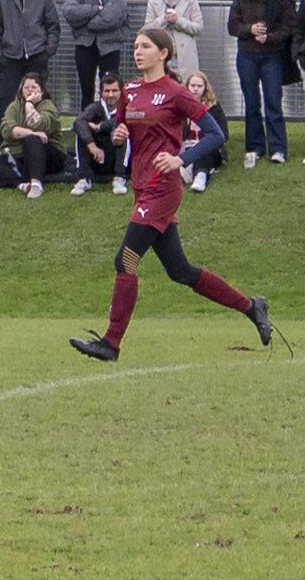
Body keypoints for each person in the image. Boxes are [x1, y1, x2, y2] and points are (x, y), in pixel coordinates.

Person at [67, 26, 272, 364]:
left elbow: (215, 134)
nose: (137, 51)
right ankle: (251, 306)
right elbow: (120, 129)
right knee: (180, 270)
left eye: (145, 46)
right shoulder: (131, 90)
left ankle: (111, 343)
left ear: (163, 53)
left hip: (163, 189)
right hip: (141, 187)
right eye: (136, 46)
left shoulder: (176, 92)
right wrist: (117, 134)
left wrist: (181, 158)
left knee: (125, 260)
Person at [225, 0, 294, 168]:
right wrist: (250, 29)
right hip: (247, 56)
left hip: (272, 55)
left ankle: (278, 148)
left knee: (273, 101)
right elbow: (232, 26)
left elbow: (289, 27)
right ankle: (255, 147)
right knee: (252, 102)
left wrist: (270, 37)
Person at [0, 0, 62, 127]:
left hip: (36, 56)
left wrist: (47, 52)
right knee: (4, 99)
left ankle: (36, 134)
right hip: (9, 57)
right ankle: (1, 137)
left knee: (37, 99)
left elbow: (53, 27)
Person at [62, 0, 130, 114]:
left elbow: (113, 16)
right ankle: (86, 121)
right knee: (86, 89)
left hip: (110, 47)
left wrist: (89, 23)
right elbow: (70, 12)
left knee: (111, 87)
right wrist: (96, 9)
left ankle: (111, 120)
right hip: (85, 47)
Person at [0, 71, 63, 199]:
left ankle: (36, 184)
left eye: (34, 87)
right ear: (21, 90)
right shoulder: (14, 106)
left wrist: (29, 104)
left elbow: (38, 125)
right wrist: (30, 132)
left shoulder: (48, 106)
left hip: (49, 155)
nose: (30, 90)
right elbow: (6, 130)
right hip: (19, 155)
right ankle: (21, 185)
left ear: (42, 90)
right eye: (26, 87)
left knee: (32, 140)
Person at [71, 77, 128, 197]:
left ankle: (120, 177)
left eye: (114, 91)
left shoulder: (127, 107)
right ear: (101, 93)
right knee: (82, 130)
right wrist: (91, 145)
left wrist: (100, 127)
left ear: (121, 92)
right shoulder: (95, 107)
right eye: (107, 91)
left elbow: (124, 120)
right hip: (97, 157)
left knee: (122, 131)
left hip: (118, 157)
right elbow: (78, 122)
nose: (111, 95)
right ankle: (83, 178)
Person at [143, 0, 203, 79]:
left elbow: (198, 28)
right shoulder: (153, 2)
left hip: (185, 55)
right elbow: (147, 30)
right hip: (163, 55)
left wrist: (178, 21)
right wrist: (163, 19)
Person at [180, 70, 228, 192]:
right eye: (193, 85)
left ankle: (200, 176)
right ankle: (188, 173)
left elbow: (224, 134)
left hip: (209, 147)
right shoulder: (180, 106)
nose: (196, 89)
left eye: (199, 86)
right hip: (186, 146)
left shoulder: (214, 107)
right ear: (187, 86)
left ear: (205, 88)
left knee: (204, 149)